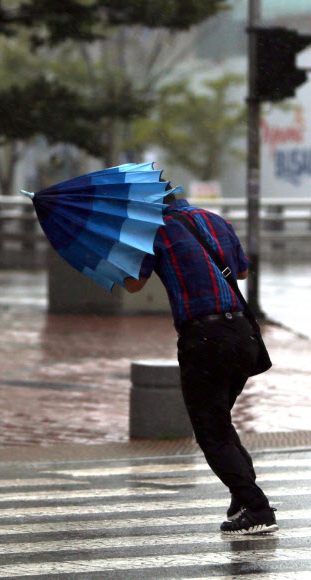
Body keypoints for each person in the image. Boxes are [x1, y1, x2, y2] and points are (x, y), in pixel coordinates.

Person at [124, 186, 278, 536]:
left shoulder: (152, 231)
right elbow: (240, 272)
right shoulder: (215, 220)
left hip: (204, 340)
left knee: (211, 433)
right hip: (242, 334)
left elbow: (134, 285)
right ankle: (242, 500)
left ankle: (257, 507)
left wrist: (123, 255)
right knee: (220, 422)